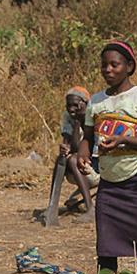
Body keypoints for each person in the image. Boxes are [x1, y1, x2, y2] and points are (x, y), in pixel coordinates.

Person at [79, 41, 137, 274]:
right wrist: (82, 154)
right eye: (104, 65)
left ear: (129, 66)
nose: (108, 70)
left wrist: (123, 140)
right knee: (106, 244)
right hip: (109, 184)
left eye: (114, 65)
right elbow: (87, 137)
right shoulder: (96, 101)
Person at [45, 87, 97, 229]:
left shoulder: (93, 116)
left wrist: (80, 121)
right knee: (61, 159)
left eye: (76, 105)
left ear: (85, 104)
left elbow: (83, 151)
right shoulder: (68, 116)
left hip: (96, 170)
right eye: (69, 105)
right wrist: (65, 147)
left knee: (74, 159)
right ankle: (52, 208)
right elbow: (71, 145)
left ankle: (90, 208)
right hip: (80, 170)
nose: (71, 109)